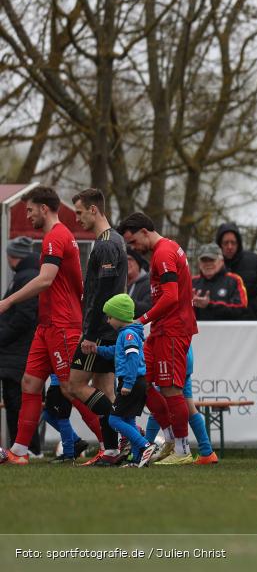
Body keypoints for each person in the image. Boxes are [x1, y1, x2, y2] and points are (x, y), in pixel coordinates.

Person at [0, 186, 93, 465]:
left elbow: (45, 279)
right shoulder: (55, 236)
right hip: (47, 325)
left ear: (44, 208)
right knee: (29, 383)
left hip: (62, 324)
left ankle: (114, 443)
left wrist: (8, 301)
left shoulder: (56, 236)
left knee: (71, 388)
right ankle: (19, 451)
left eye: (30, 210)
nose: (28, 215)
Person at [118, 212, 197, 465]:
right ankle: (171, 440)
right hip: (162, 329)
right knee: (142, 381)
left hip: (173, 329)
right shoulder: (164, 250)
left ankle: (182, 451)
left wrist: (141, 320)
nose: (133, 248)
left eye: (133, 241)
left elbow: (171, 296)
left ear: (144, 231)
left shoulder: (163, 252)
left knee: (171, 389)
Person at [68, 188, 128, 466]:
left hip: (100, 331)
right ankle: (113, 451)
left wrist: (90, 334)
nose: (77, 218)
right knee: (105, 389)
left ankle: (129, 432)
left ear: (94, 210)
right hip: (107, 329)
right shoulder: (114, 239)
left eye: (80, 212)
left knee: (75, 385)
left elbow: (103, 292)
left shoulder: (105, 244)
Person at [92, 294, 160, 468]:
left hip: (132, 382)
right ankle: (136, 459)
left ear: (120, 316)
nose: (108, 321)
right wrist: (97, 350)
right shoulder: (126, 334)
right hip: (135, 382)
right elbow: (115, 351)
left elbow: (133, 359)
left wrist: (128, 383)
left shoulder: (129, 335)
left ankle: (146, 445)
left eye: (110, 317)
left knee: (114, 420)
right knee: (129, 421)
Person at [0, 237, 41, 455]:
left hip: (18, 352)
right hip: (17, 352)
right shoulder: (28, 275)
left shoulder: (26, 278)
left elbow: (23, 317)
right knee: (18, 399)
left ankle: (27, 447)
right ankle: (23, 447)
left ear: (12, 256)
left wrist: (2, 336)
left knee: (18, 400)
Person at [215, 222, 257, 320]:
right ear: (219, 245)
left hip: (253, 322)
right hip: (221, 322)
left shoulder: (254, 261)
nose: (230, 246)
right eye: (226, 243)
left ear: (238, 243)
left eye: (233, 242)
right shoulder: (212, 265)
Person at [191, 243, 250, 321]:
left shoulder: (234, 280)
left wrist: (210, 305)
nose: (208, 264)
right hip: (197, 328)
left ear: (221, 261)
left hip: (227, 328)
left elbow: (241, 308)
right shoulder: (192, 282)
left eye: (212, 260)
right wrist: (191, 304)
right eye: (204, 260)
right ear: (199, 264)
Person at [126, 247, 152, 318]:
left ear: (138, 263)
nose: (126, 263)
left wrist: (124, 302)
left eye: (130, 259)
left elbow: (149, 308)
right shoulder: (120, 283)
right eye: (124, 260)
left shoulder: (149, 283)